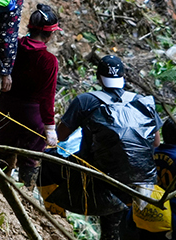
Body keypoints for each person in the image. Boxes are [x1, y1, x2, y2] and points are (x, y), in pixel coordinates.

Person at [57, 55, 162, 239]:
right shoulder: (141, 101)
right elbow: (155, 142)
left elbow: (60, 136)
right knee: (121, 224)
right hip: (140, 177)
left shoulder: (86, 101)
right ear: (124, 77)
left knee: (110, 226)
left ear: (98, 77)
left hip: (100, 174)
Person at [0, 4, 61, 187]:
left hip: (6, 108)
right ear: (49, 35)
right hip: (32, 116)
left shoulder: (13, 45)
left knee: (2, 149)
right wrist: (50, 128)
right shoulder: (49, 61)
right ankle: (25, 196)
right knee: (30, 159)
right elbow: (47, 98)